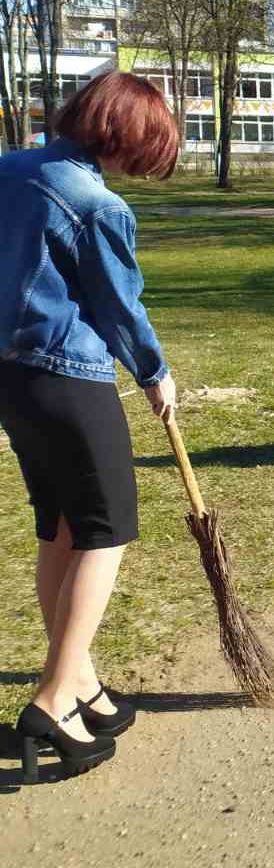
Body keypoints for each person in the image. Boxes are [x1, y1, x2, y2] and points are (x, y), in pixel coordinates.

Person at [0, 70, 181, 781]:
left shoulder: (10, 168)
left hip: (12, 382)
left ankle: (80, 681)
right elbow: (119, 308)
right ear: (124, 133)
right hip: (67, 379)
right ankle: (51, 701)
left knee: (61, 528)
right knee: (107, 531)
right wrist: (154, 373)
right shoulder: (94, 204)